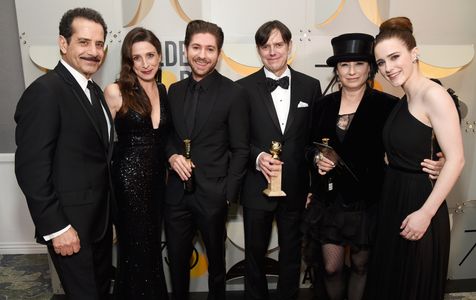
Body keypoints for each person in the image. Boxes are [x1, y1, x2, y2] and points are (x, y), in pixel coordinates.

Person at [302, 33, 446, 300]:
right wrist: (315, 159)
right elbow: (308, 146)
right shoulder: (322, 106)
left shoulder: (388, 106)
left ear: (370, 68)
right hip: (329, 202)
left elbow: (415, 137)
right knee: (331, 268)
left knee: (361, 265)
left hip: (368, 203)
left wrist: (441, 159)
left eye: (359, 64)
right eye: (344, 65)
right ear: (336, 70)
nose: (352, 71)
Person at [14, 8, 113, 299]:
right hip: (70, 225)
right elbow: (31, 168)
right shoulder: (46, 91)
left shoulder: (92, 90)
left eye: (98, 44)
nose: (93, 51)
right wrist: (57, 228)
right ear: (62, 43)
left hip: (99, 223)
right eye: (83, 42)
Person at [367, 17, 464, 300]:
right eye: (381, 62)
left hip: (419, 204)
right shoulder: (403, 99)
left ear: (415, 53)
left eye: (394, 57)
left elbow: (457, 159)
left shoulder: (435, 95)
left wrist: (426, 213)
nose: (388, 68)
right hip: (394, 200)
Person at [236, 20, 322, 300]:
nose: (272, 51)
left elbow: (314, 140)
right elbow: (236, 140)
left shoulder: (311, 86)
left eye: (278, 45)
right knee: (254, 256)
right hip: (256, 185)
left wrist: (313, 184)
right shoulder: (242, 89)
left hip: (296, 187)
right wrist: (258, 157)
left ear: (289, 46)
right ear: (259, 50)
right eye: (265, 46)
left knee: (291, 254)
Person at [164, 20, 249, 300]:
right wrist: (172, 155)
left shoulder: (233, 93)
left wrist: (227, 194)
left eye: (210, 49)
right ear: (186, 49)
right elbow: (167, 137)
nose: (203, 55)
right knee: (176, 263)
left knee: (216, 266)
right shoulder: (173, 91)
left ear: (219, 53)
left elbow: (240, 149)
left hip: (213, 195)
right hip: (176, 194)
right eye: (197, 47)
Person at [104, 27, 169, 299]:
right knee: (134, 248)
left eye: (150, 55)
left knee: (152, 246)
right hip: (128, 181)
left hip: (157, 181)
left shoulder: (163, 89)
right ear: (129, 62)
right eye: (137, 58)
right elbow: (101, 142)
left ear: (159, 55)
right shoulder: (116, 91)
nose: (145, 64)